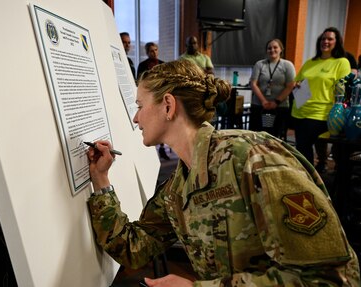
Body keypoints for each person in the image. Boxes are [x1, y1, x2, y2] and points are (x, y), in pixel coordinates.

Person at [86, 59, 360, 287]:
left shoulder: (256, 160)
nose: (136, 118)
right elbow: (134, 248)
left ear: (168, 106)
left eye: (140, 106)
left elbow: (333, 278)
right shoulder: (177, 188)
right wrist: (101, 179)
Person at [291, 27, 351, 170]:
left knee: (304, 148)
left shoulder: (341, 62)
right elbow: (296, 81)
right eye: (323, 39)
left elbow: (344, 90)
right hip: (300, 111)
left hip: (321, 114)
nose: (326, 41)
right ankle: (307, 178)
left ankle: (311, 179)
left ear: (337, 42)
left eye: (330, 39)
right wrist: (297, 85)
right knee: (301, 149)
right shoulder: (310, 62)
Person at [250, 39, 295, 139]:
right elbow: (253, 83)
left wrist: (276, 102)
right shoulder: (260, 64)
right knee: (259, 135)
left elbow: (290, 85)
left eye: (275, 47)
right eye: (269, 48)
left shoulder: (287, 65)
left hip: (280, 107)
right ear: (266, 50)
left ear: (281, 49)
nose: (272, 50)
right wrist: (264, 102)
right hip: (260, 106)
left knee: (275, 137)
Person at [136, 42, 168, 160]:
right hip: (147, 98)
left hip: (160, 96)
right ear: (147, 52)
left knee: (162, 122)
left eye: (156, 50)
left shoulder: (163, 64)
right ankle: (149, 154)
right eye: (151, 51)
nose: (154, 52)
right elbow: (139, 82)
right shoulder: (142, 65)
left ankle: (162, 148)